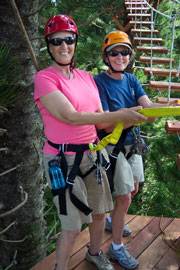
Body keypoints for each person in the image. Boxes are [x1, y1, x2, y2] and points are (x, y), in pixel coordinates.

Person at [34, 16, 147, 270]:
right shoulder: (45, 78)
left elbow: (101, 122)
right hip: (62, 159)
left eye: (69, 40)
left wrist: (139, 115)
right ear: (49, 45)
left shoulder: (86, 77)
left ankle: (95, 252)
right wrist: (122, 114)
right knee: (72, 226)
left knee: (100, 212)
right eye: (56, 41)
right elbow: (70, 116)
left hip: (93, 155)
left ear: (75, 42)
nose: (63, 46)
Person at [94, 30, 159, 270]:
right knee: (123, 197)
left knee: (132, 191)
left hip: (132, 144)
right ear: (107, 56)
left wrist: (165, 106)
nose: (120, 56)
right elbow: (104, 122)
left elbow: (148, 112)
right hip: (113, 146)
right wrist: (133, 115)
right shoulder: (99, 82)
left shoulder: (132, 80)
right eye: (115, 52)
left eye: (125, 52)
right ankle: (117, 247)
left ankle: (113, 220)